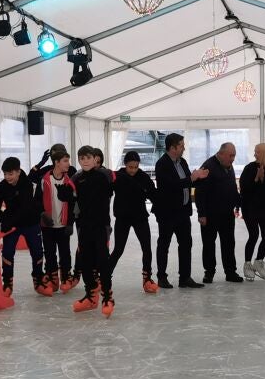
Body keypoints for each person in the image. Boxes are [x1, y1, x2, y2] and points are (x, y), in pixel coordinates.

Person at [59, 146, 117, 317]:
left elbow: (120, 181)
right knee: (84, 261)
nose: (85, 161)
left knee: (102, 260)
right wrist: (64, 191)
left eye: (88, 158)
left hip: (100, 226)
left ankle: (107, 296)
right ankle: (91, 295)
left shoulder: (104, 175)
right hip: (84, 226)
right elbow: (66, 194)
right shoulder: (77, 178)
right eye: (82, 158)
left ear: (95, 159)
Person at [154, 133, 208, 289]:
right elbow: (170, 186)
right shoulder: (162, 164)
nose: (184, 148)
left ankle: (185, 277)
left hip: (183, 212)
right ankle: (161, 277)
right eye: (181, 145)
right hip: (167, 213)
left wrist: (198, 178)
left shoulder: (182, 162)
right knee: (164, 244)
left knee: (186, 244)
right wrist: (192, 178)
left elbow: (186, 184)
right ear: (172, 148)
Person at [0, 156, 46, 297]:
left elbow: (25, 208)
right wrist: (0, 217)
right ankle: (7, 283)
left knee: (37, 252)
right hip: (12, 225)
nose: (7, 177)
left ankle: (38, 280)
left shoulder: (27, 184)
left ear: (18, 172)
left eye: (10, 174)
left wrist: (9, 221)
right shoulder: (2, 186)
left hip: (30, 222)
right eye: (5, 174)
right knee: (7, 253)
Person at [108, 151, 158, 292]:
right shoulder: (118, 176)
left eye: (136, 167)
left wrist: (160, 206)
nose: (133, 170)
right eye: (130, 167)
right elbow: (106, 191)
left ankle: (147, 278)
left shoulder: (143, 177)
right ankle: (105, 276)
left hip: (140, 217)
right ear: (125, 165)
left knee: (146, 247)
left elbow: (153, 195)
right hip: (123, 218)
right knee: (118, 249)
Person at [195, 142, 243, 284]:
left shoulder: (228, 165)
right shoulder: (208, 166)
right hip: (210, 214)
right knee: (209, 244)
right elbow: (200, 192)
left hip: (227, 214)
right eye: (231, 155)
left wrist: (238, 204)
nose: (233, 158)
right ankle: (209, 272)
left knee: (229, 243)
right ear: (221, 154)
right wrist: (201, 214)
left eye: (234, 155)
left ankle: (230, 272)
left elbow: (232, 188)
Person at [239, 143, 265, 281]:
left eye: (257, 152)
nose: (255, 154)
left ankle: (259, 262)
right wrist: (257, 179)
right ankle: (247, 264)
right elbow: (244, 190)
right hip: (250, 207)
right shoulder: (250, 168)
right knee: (254, 235)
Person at [38, 149, 75, 294]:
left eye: (68, 160)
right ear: (56, 163)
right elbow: (37, 201)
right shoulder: (45, 180)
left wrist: (70, 223)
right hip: (48, 225)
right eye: (65, 161)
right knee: (49, 253)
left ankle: (66, 276)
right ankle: (53, 277)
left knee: (65, 253)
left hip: (63, 224)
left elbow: (73, 204)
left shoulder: (69, 181)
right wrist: (42, 214)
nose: (68, 164)